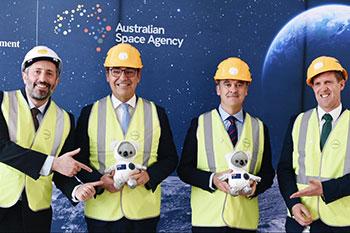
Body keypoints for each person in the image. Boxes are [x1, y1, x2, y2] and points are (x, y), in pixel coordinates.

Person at [74, 43, 178, 232]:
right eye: (116, 71)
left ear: (138, 76)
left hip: (143, 214)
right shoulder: (89, 112)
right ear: (107, 75)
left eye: (129, 71)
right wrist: (99, 181)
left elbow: (170, 158)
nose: (123, 77)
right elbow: (80, 161)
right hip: (101, 215)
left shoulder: (157, 113)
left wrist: (148, 176)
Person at [0, 45, 102, 232]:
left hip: (37, 215)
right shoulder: (2, 102)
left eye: (49, 74)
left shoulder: (65, 119)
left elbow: (64, 168)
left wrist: (75, 190)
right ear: (25, 75)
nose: (42, 79)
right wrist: (52, 163)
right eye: (37, 72)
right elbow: (2, 148)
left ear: (56, 81)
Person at [177, 57, 275, 232]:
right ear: (218, 89)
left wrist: (255, 188)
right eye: (227, 84)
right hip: (208, 222)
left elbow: (267, 173)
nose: (233, 89)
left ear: (246, 90)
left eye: (239, 84)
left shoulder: (259, 127)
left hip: (244, 222)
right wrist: (212, 180)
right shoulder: (200, 123)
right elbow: (184, 170)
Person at [277, 56, 350, 232]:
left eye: (328, 82)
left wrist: (326, 189)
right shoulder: (298, 121)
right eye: (317, 84)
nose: (322, 88)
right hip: (301, 221)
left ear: (341, 85)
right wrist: (293, 205)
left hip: (342, 223)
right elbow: (284, 169)